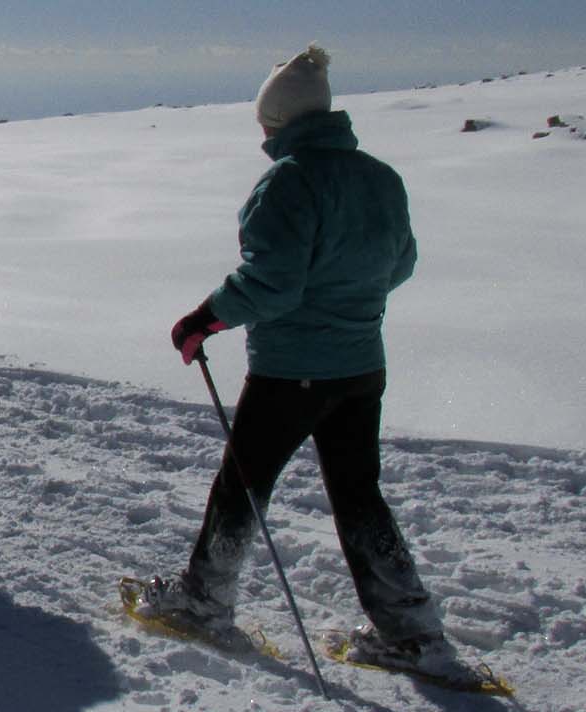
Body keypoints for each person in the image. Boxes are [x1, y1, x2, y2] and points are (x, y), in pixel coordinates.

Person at [136, 46, 452, 673]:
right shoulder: (380, 177)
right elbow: (402, 264)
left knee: (242, 487)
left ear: (277, 121)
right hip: (363, 365)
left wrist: (204, 319)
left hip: (293, 369)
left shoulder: (290, 180)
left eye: (264, 123)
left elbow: (273, 281)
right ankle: (410, 630)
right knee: (360, 494)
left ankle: (204, 601)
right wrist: (347, 302)